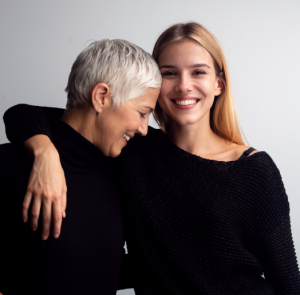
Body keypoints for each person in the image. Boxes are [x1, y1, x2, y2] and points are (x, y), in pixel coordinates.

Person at [3, 22, 300, 294]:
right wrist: (44, 152)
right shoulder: (131, 150)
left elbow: (288, 283)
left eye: (198, 71)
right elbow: (33, 115)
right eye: (169, 73)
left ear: (219, 84)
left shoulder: (254, 171)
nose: (184, 85)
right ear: (155, 87)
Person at [0, 39, 161, 295]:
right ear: (101, 97)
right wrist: (44, 153)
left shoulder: (118, 170)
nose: (144, 129)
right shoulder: (10, 165)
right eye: (142, 113)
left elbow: (98, 268)